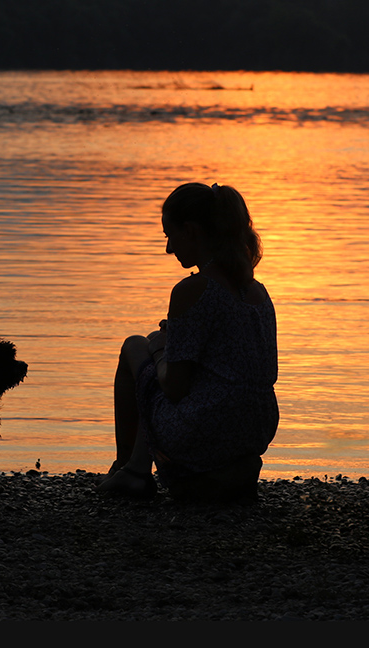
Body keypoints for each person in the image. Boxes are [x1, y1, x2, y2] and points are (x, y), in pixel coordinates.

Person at [98, 182, 279, 499]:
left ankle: (130, 469)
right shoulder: (258, 292)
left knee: (135, 345)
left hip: (202, 433)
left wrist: (158, 347)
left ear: (192, 231)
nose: (169, 248)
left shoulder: (192, 290)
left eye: (170, 235)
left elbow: (174, 387)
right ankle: (137, 469)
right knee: (164, 351)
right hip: (255, 430)